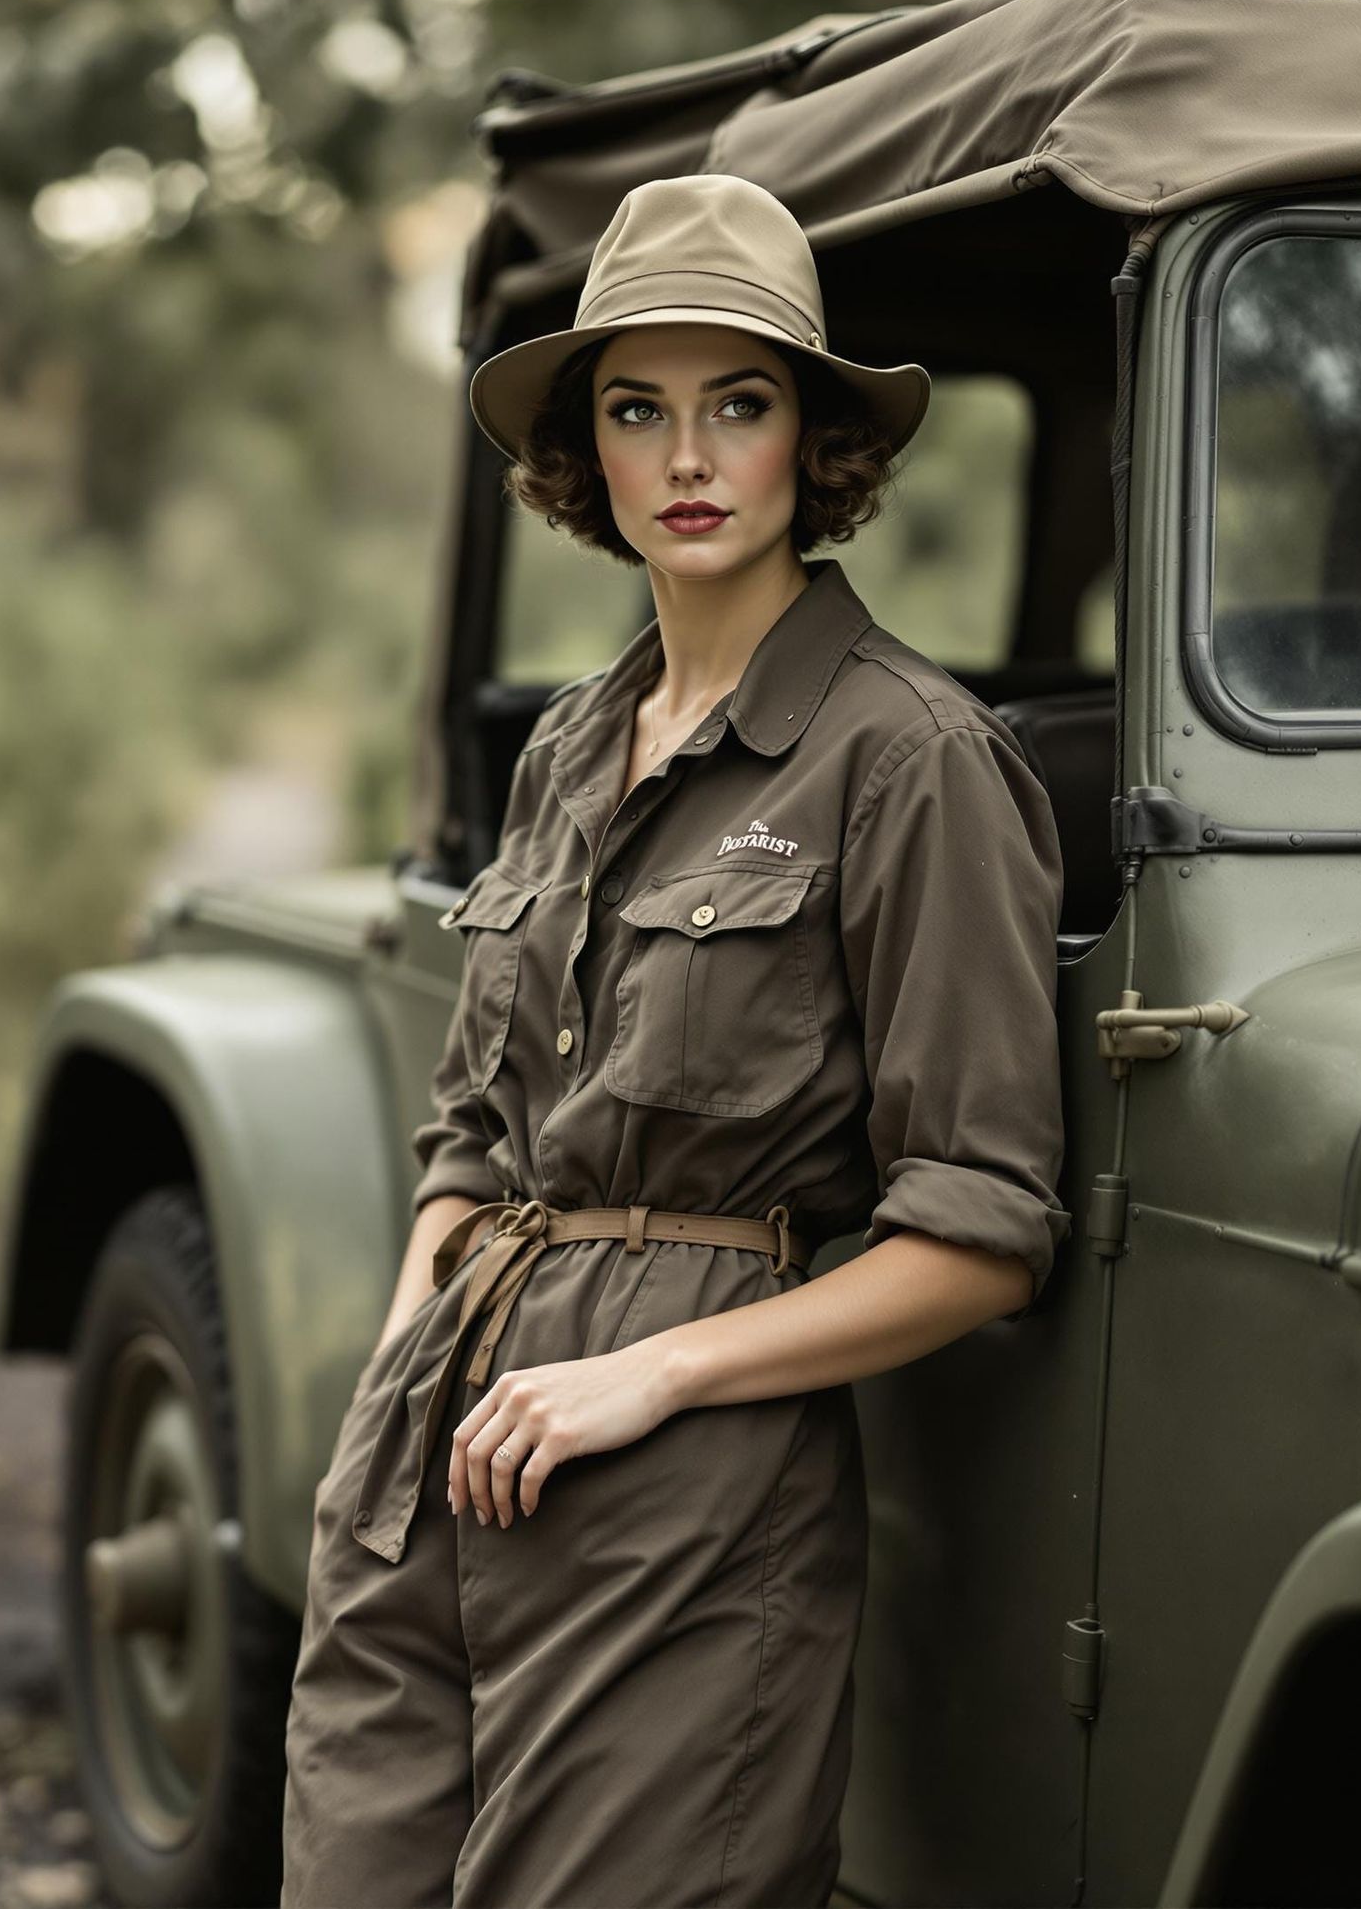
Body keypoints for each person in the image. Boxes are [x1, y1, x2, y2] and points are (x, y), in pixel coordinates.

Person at [279, 172, 1071, 1908]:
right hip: (438, 1456)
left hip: (688, 1496)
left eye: (742, 402)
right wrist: (405, 1366)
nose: (690, 457)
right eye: (640, 408)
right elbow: (477, 1128)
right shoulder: (569, 745)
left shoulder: (910, 757)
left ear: (815, 443)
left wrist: (652, 1373)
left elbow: (984, 1228)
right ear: (591, 454)